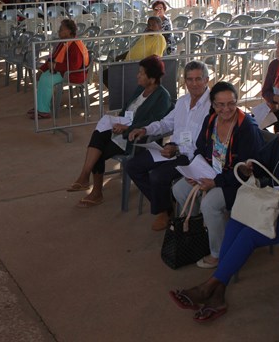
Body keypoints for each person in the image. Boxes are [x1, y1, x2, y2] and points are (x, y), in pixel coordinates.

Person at [169, 106, 279, 323]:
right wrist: (251, 168)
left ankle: (208, 287)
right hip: (273, 204)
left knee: (250, 234)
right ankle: (218, 293)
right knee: (238, 217)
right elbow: (262, 161)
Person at [172, 82, 264, 268]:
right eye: (220, 104)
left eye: (231, 103)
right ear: (213, 105)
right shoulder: (211, 120)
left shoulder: (246, 127)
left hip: (237, 181)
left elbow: (246, 169)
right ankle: (200, 234)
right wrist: (195, 171)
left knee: (210, 203)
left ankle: (219, 252)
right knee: (180, 189)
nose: (226, 109)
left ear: (237, 102)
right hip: (211, 172)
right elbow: (199, 148)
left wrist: (215, 182)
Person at [67, 55, 171, 208]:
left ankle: (93, 189)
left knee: (99, 151)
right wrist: (118, 121)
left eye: (142, 73)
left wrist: (127, 127)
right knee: (98, 135)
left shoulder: (162, 96)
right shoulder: (140, 89)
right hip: (122, 130)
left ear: (153, 78)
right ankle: (85, 177)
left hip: (135, 138)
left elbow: (154, 122)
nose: (138, 75)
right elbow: (127, 110)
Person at [125, 61, 212, 230]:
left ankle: (162, 211)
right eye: (189, 79)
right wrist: (145, 129)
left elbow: (207, 143)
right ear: (184, 81)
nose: (194, 84)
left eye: (198, 79)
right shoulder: (183, 101)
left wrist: (177, 149)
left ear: (207, 80)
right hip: (173, 148)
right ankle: (165, 206)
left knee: (157, 176)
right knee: (133, 165)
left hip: (192, 156)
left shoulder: (212, 106)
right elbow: (166, 123)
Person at [29, 19, 89, 120]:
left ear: (69, 31)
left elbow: (74, 66)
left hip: (74, 74)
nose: (59, 31)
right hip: (62, 71)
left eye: (61, 29)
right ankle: (40, 107)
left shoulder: (74, 45)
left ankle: (44, 111)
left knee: (46, 80)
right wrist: (41, 70)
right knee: (42, 76)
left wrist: (55, 66)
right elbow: (53, 58)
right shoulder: (64, 42)